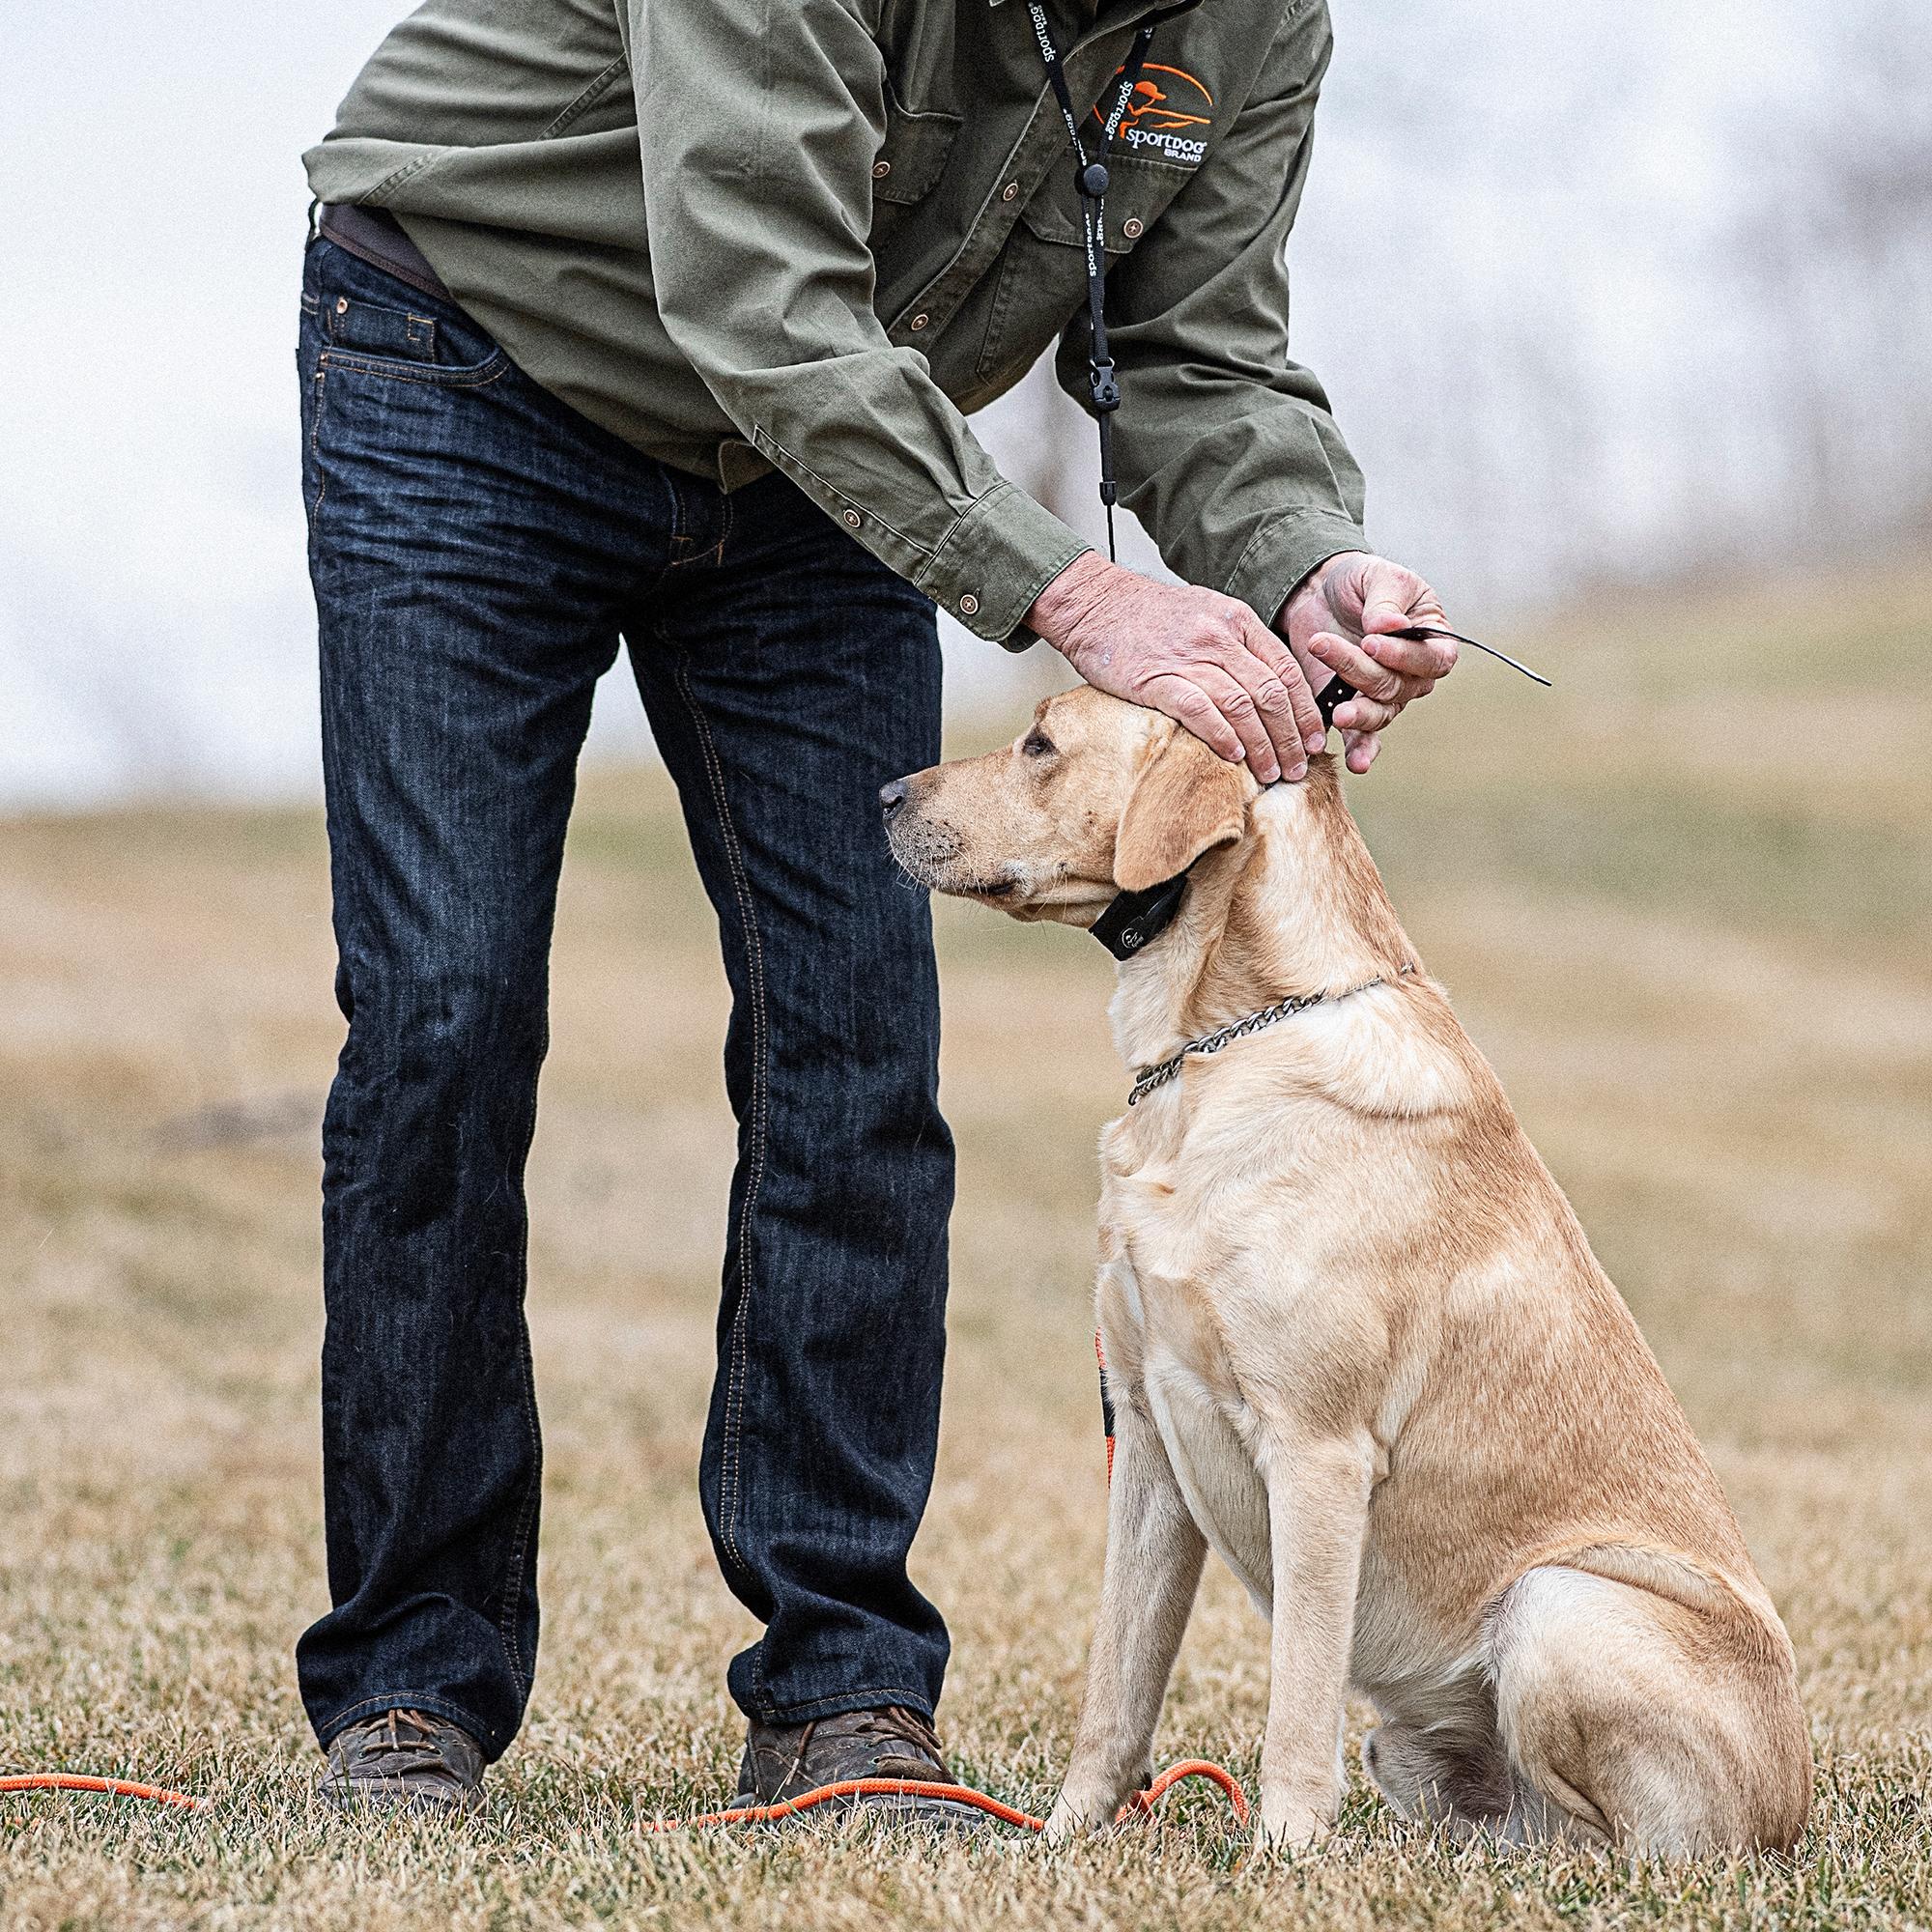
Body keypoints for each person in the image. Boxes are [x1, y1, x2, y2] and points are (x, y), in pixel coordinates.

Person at [298, 0, 1459, 1817]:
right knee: (445, 1011)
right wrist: (1068, 595)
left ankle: (843, 1693)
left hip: (816, 460)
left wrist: (1305, 561)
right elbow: (757, 290)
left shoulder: (1258, 22)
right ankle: (409, 1695)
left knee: (856, 1040)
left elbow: (1192, 349)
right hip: (473, 365)